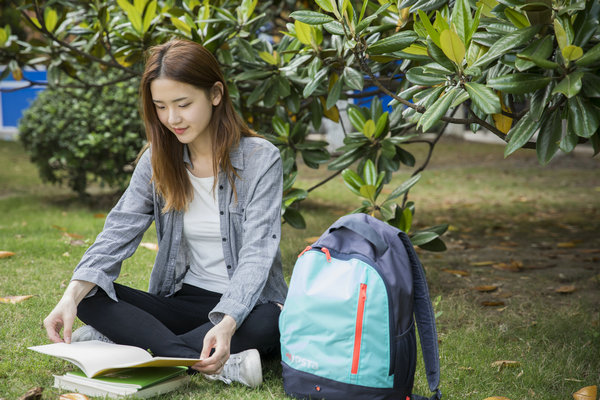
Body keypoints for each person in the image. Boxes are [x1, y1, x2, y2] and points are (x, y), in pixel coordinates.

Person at [42, 39, 288, 388]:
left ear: (215, 94)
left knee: (270, 321)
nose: (172, 118)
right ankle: (220, 365)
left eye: (183, 104)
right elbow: (118, 230)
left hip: (249, 305)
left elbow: (257, 251)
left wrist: (228, 321)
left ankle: (134, 347)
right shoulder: (156, 160)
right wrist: (70, 297)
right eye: (160, 106)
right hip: (183, 301)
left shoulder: (261, 158)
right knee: (91, 296)